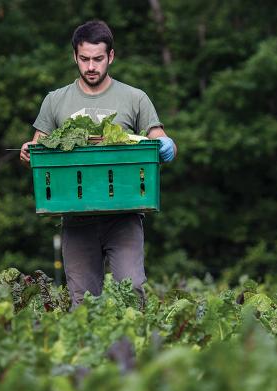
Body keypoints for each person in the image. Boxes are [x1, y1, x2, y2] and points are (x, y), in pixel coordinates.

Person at [20, 20, 177, 306]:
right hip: (76, 213)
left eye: (98, 59)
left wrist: (167, 146)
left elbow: (158, 137)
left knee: (132, 291)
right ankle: (90, 350)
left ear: (111, 57)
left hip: (125, 212)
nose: (91, 67)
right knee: (83, 301)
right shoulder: (55, 101)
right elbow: (39, 144)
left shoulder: (134, 97)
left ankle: (132, 349)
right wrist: (29, 150)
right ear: (75, 57)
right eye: (84, 59)